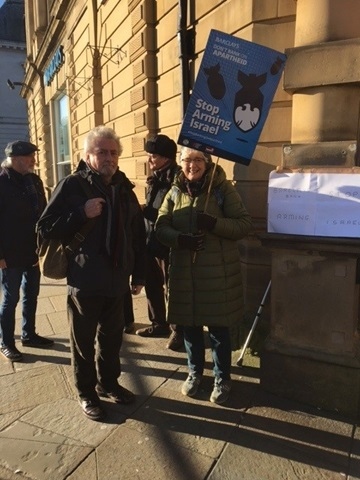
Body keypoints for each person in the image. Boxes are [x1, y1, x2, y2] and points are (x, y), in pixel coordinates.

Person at [37, 126, 146, 421]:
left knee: (112, 340)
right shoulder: (72, 185)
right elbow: (44, 227)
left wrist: (138, 275)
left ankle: (108, 383)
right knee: (83, 343)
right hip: (85, 281)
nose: (108, 157)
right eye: (101, 152)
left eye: (113, 152)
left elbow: (136, 235)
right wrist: (80, 213)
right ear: (87, 156)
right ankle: (86, 393)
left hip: (117, 282)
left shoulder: (124, 188)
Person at [156, 147, 252, 404]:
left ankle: (222, 378)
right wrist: (181, 239)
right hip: (185, 275)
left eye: (198, 159)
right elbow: (160, 226)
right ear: (180, 163)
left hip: (217, 275)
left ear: (207, 163)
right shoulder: (175, 190)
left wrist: (214, 224)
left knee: (219, 330)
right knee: (190, 327)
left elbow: (244, 224)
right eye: (187, 160)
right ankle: (195, 373)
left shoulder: (221, 189)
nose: (192, 165)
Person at [0, 140, 53, 362]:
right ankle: (6, 342)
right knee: (11, 298)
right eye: (30, 157)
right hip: (10, 253)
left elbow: (42, 213)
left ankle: (28, 334)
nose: (34, 160)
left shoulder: (34, 180)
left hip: (33, 250)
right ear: (15, 159)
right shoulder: (2, 182)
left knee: (31, 293)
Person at [135, 134, 184, 351]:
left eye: (153, 156)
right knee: (152, 284)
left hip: (168, 243)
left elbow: (176, 213)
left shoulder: (178, 178)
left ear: (166, 157)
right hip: (150, 239)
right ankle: (158, 324)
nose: (149, 160)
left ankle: (178, 331)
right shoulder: (156, 176)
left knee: (172, 289)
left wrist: (147, 210)